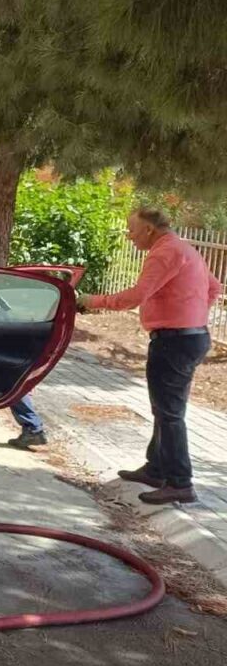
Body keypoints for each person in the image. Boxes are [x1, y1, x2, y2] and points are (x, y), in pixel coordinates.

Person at [81, 206, 223, 505]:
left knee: (170, 413)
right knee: (164, 408)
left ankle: (180, 483)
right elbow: (214, 288)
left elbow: (136, 295)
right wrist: (191, 313)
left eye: (132, 230)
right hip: (190, 337)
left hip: (174, 340)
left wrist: (92, 301)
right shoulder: (183, 248)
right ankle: (156, 469)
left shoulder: (164, 252)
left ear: (149, 229)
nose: (129, 236)